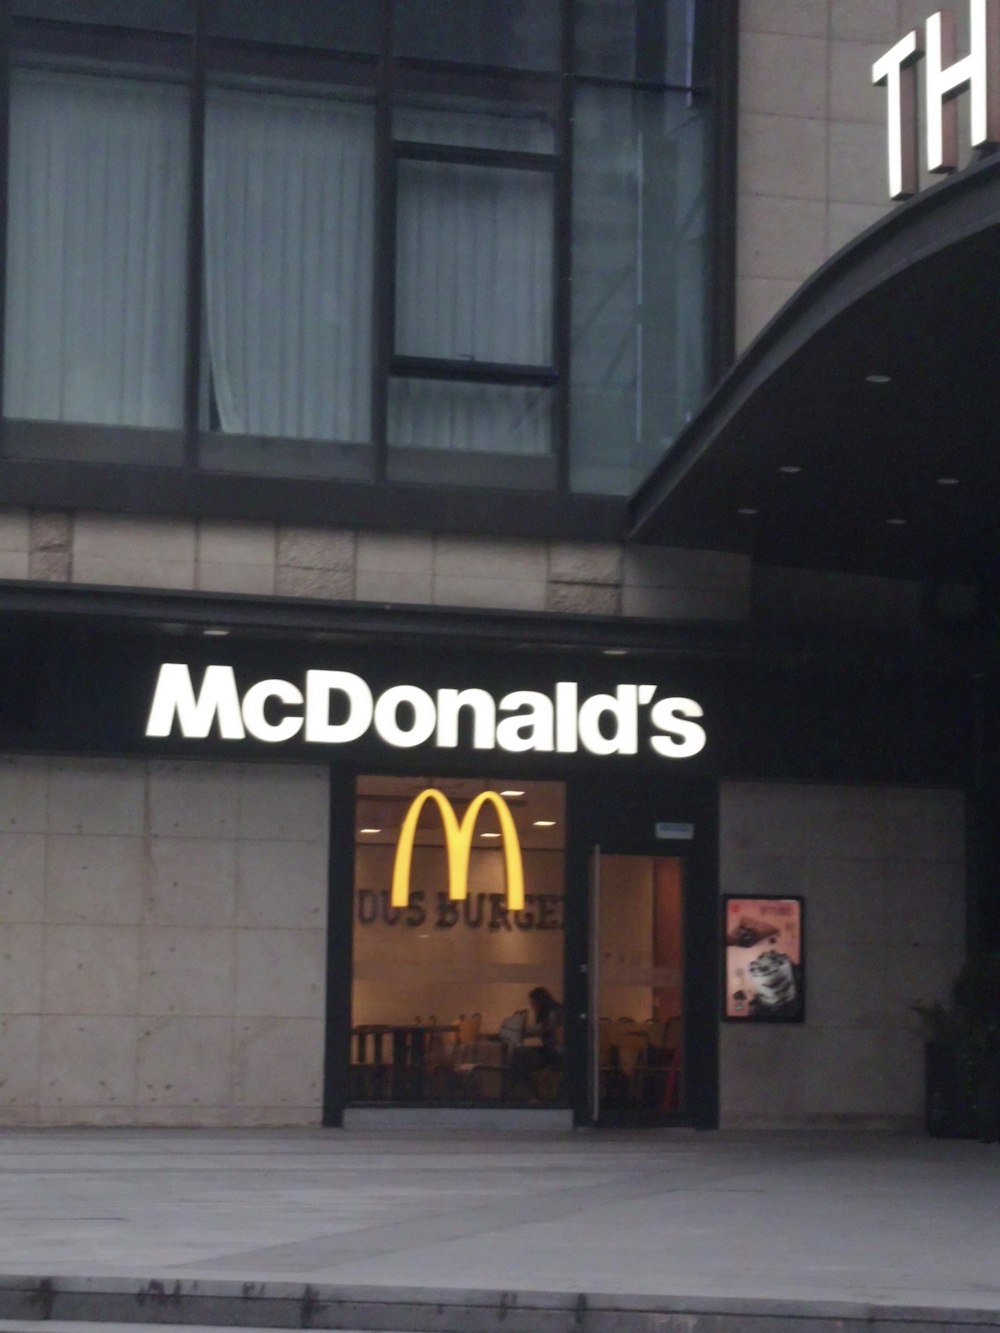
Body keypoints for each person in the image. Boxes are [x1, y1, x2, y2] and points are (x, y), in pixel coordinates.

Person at [507, 986, 564, 1102]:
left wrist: (519, 1028)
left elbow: (540, 1029)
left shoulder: (553, 1014)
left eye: (533, 1004)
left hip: (556, 1053)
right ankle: (526, 1092)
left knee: (520, 1056)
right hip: (554, 1051)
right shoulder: (556, 1011)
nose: (532, 1008)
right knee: (522, 1056)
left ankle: (524, 1092)